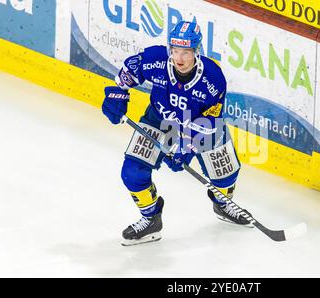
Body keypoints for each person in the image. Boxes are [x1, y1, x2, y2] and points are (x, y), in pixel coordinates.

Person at [101, 21, 253, 246]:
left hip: (200, 125)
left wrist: (187, 146)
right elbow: (130, 70)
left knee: (225, 173)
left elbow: (211, 120)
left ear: (196, 51)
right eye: (175, 50)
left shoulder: (213, 78)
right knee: (132, 172)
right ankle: (151, 219)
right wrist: (116, 95)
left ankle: (223, 204)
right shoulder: (156, 60)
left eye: (186, 52)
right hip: (159, 118)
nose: (179, 58)